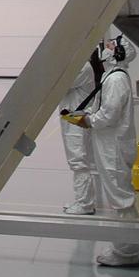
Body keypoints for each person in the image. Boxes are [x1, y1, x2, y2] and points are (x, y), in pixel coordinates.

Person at [80, 33, 139, 267]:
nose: (104, 47)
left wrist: (89, 121)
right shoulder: (112, 76)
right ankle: (123, 246)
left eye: (110, 44)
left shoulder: (115, 80)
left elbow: (110, 114)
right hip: (110, 144)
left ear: (118, 52)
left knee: (120, 198)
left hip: (112, 146)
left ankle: (126, 252)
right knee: (118, 194)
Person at [58, 56, 99, 214]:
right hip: (71, 117)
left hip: (77, 119)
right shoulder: (79, 66)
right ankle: (82, 200)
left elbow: (61, 84)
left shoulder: (83, 67)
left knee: (78, 160)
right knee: (76, 159)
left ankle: (85, 203)